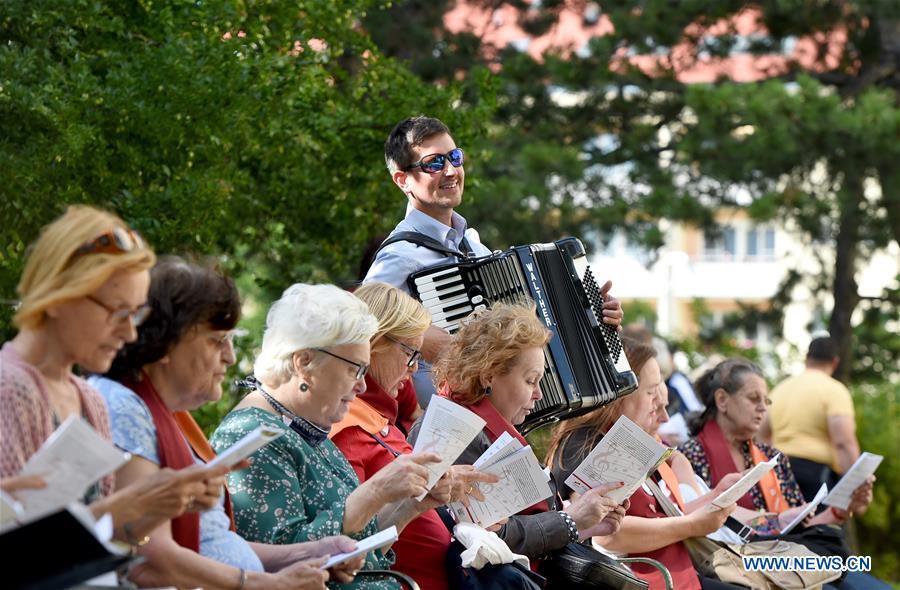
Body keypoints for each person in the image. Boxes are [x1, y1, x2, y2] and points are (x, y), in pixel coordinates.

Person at [90, 258, 360, 589]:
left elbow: (212, 544)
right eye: (218, 340)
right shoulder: (125, 407)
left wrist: (311, 552)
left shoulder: (167, 416)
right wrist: (265, 585)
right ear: (165, 341)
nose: (231, 357)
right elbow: (152, 558)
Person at [0, 205, 223, 547]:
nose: (129, 334)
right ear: (58, 295)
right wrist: (124, 507)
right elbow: (19, 552)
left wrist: (164, 504)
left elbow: (106, 545)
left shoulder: (89, 400)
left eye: (136, 314)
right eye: (118, 311)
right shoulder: (10, 389)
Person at [364, 116, 624, 407]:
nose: (450, 171)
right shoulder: (400, 255)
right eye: (434, 163)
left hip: (496, 419)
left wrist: (590, 314)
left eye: (455, 157)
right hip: (433, 421)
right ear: (403, 180)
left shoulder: (475, 247)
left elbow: (526, 328)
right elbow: (364, 320)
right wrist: (421, 338)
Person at [211, 283, 455, 590]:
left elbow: (359, 554)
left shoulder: (305, 428)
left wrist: (414, 504)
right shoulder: (253, 436)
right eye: (354, 370)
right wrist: (375, 491)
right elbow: (284, 568)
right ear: (304, 362)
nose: (362, 386)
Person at [408, 302, 627, 563]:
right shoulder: (452, 430)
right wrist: (572, 520)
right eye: (530, 380)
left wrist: (588, 524)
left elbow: (518, 529)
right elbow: (486, 539)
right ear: (489, 376)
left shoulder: (476, 423)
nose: (539, 394)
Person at [331, 281, 498, 590]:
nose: (413, 370)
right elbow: (348, 540)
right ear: (375, 343)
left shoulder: (380, 418)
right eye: (410, 354)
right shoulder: (346, 426)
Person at [547, 337, 741, 590]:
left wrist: (714, 498)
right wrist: (691, 525)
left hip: (675, 576)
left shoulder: (627, 439)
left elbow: (657, 516)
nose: (659, 404)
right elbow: (609, 533)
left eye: (659, 389)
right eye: (651, 392)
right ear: (619, 393)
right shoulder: (587, 443)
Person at [681, 358, 886, 590]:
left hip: (788, 558)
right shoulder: (690, 456)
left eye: (766, 401)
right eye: (753, 398)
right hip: (738, 566)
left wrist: (839, 510)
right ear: (722, 400)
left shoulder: (771, 456)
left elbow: (798, 527)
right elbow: (706, 531)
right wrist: (774, 521)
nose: (763, 408)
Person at [761, 336, 860, 501]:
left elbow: (761, 435)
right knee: (822, 526)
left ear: (807, 358)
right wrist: (855, 487)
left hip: (779, 472)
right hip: (816, 476)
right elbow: (843, 442)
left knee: (784, 525)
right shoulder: (835, 390)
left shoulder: (780, 389)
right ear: (835, 362)